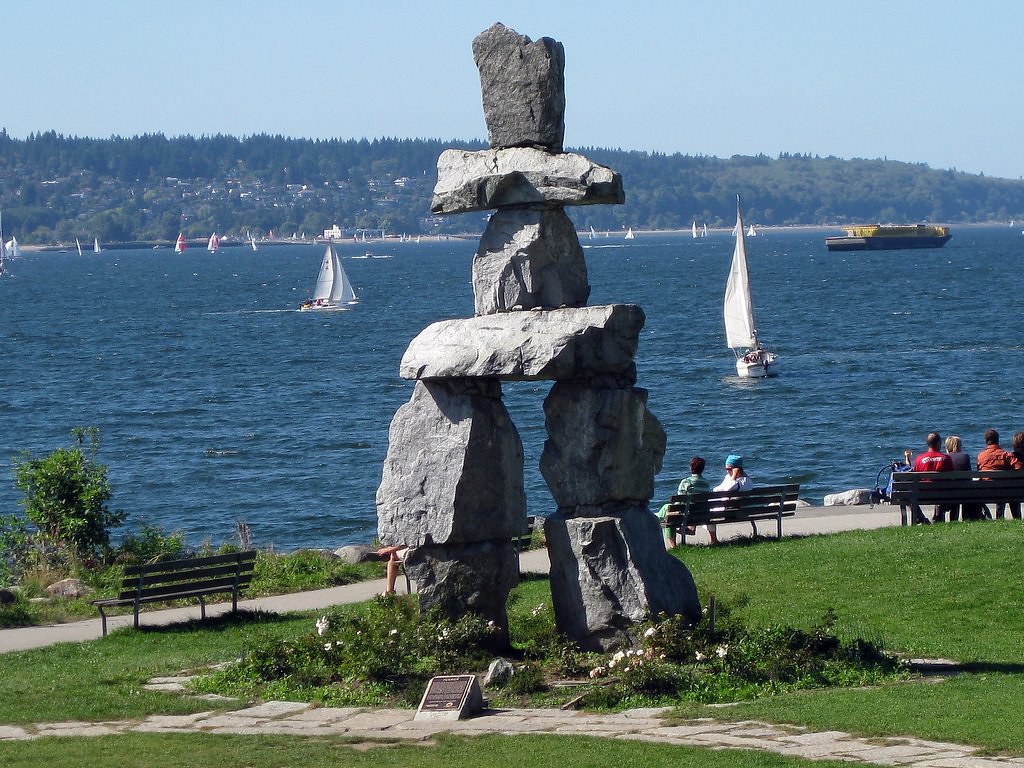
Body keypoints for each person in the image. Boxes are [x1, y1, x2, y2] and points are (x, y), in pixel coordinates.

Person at [660, 456, 712, 547]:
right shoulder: (706, 483)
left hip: (687, 516)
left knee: (668, 511)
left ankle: (673, 545)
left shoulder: (686, 482)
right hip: (702, 515)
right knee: (668, 510)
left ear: (691, 468)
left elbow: (679, 503)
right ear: (703, 469)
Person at [976, 429, 1023, 519]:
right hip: (1004, 490)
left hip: (986, 491)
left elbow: (979, 471)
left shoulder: (981, 456)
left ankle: (998, 517)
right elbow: (1019, 468)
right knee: (1006, 487)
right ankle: (1016, 517)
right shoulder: (1005, 455)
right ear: (998, 440)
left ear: (986, 441)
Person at [709, 454, 753, 545]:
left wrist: (734, 476)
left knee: (707, 513)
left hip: (736, 512)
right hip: (730, 510)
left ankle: (714, 540)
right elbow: (719, 489)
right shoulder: (729, 478)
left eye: (728, 469)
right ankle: (713, 540)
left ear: (736, 469)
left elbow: (729, 488)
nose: (727, 471)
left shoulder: (745, 481)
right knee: (707, 509)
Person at [911, 431, 954, 523]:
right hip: (943, 495)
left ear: (928, 444)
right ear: (939, 443)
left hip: (922, 495)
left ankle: (921, 518)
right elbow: (951, 478)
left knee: (908, 496)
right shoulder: (946, 459)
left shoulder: (919, 459)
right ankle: (938, 516)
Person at [943, 435, 972, 521]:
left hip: (948, 492)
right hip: (964, 492)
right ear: (960, 446)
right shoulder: (965, 457)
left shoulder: (944, 458)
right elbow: (969, 476)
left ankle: (952, 519)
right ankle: (966, 518)